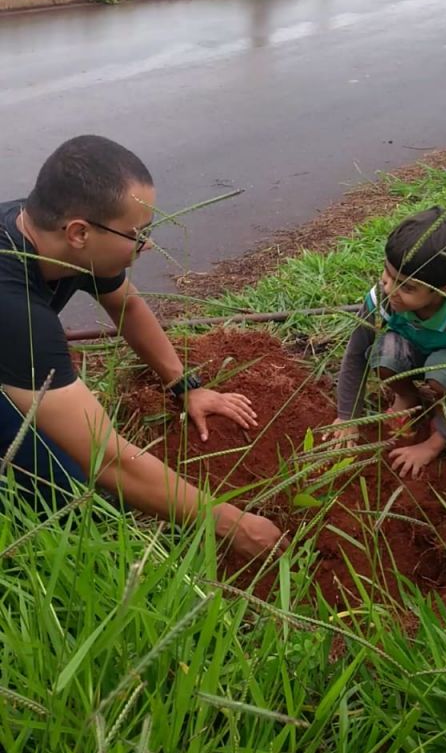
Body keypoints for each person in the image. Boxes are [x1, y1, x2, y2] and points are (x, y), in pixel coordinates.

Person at [0, 135, 284, 559]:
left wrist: (185, 385)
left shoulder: (55, 234)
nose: (148, 245)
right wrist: (231, 523)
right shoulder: (15, 309)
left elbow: (127, 304)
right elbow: (105, 456)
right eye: (139, 234)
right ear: (79, 232)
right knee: (60, 499)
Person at [327, 206, 446, 478]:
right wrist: (348, 415)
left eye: (407, 286)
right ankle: (407, 396)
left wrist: (432, 445)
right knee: (383, 353)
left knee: (442, 374)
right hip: (409, 350)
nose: (389, 289)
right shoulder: (383, 297)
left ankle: (443, 414)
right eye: (387, 273)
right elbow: (356, 353)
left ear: (444, 291)